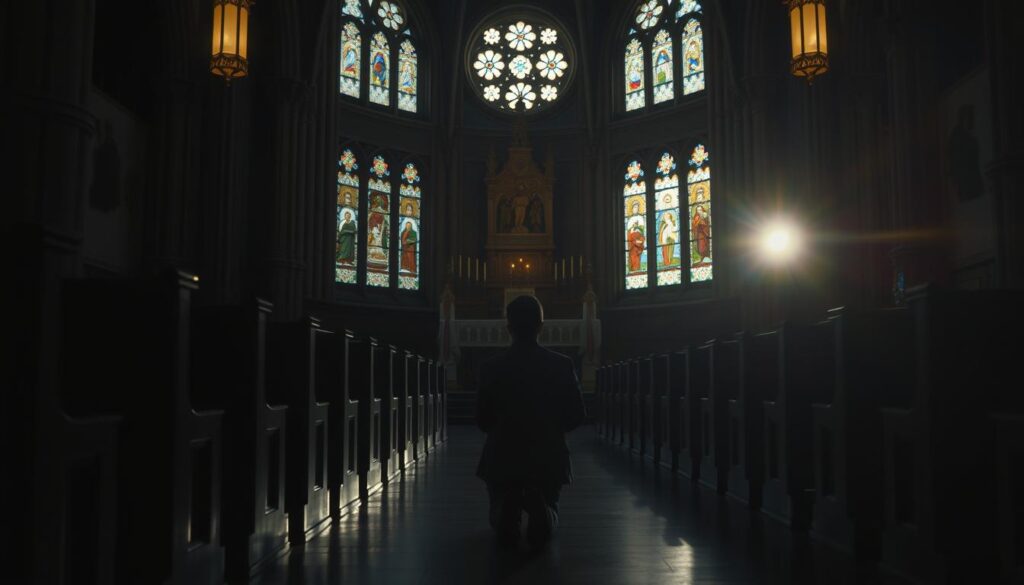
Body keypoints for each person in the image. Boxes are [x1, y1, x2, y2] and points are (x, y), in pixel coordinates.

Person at [476, 296, 586, 549]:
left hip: (503, 456)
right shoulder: (562, 365)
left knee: (497, 506)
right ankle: (544, 513)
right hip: (548, 456)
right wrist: (552, 429)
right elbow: (577, 415)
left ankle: (505, 510)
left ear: (509, 328)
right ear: (541, 326)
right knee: (552, 504)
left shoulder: (491, 367)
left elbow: (482, 420)